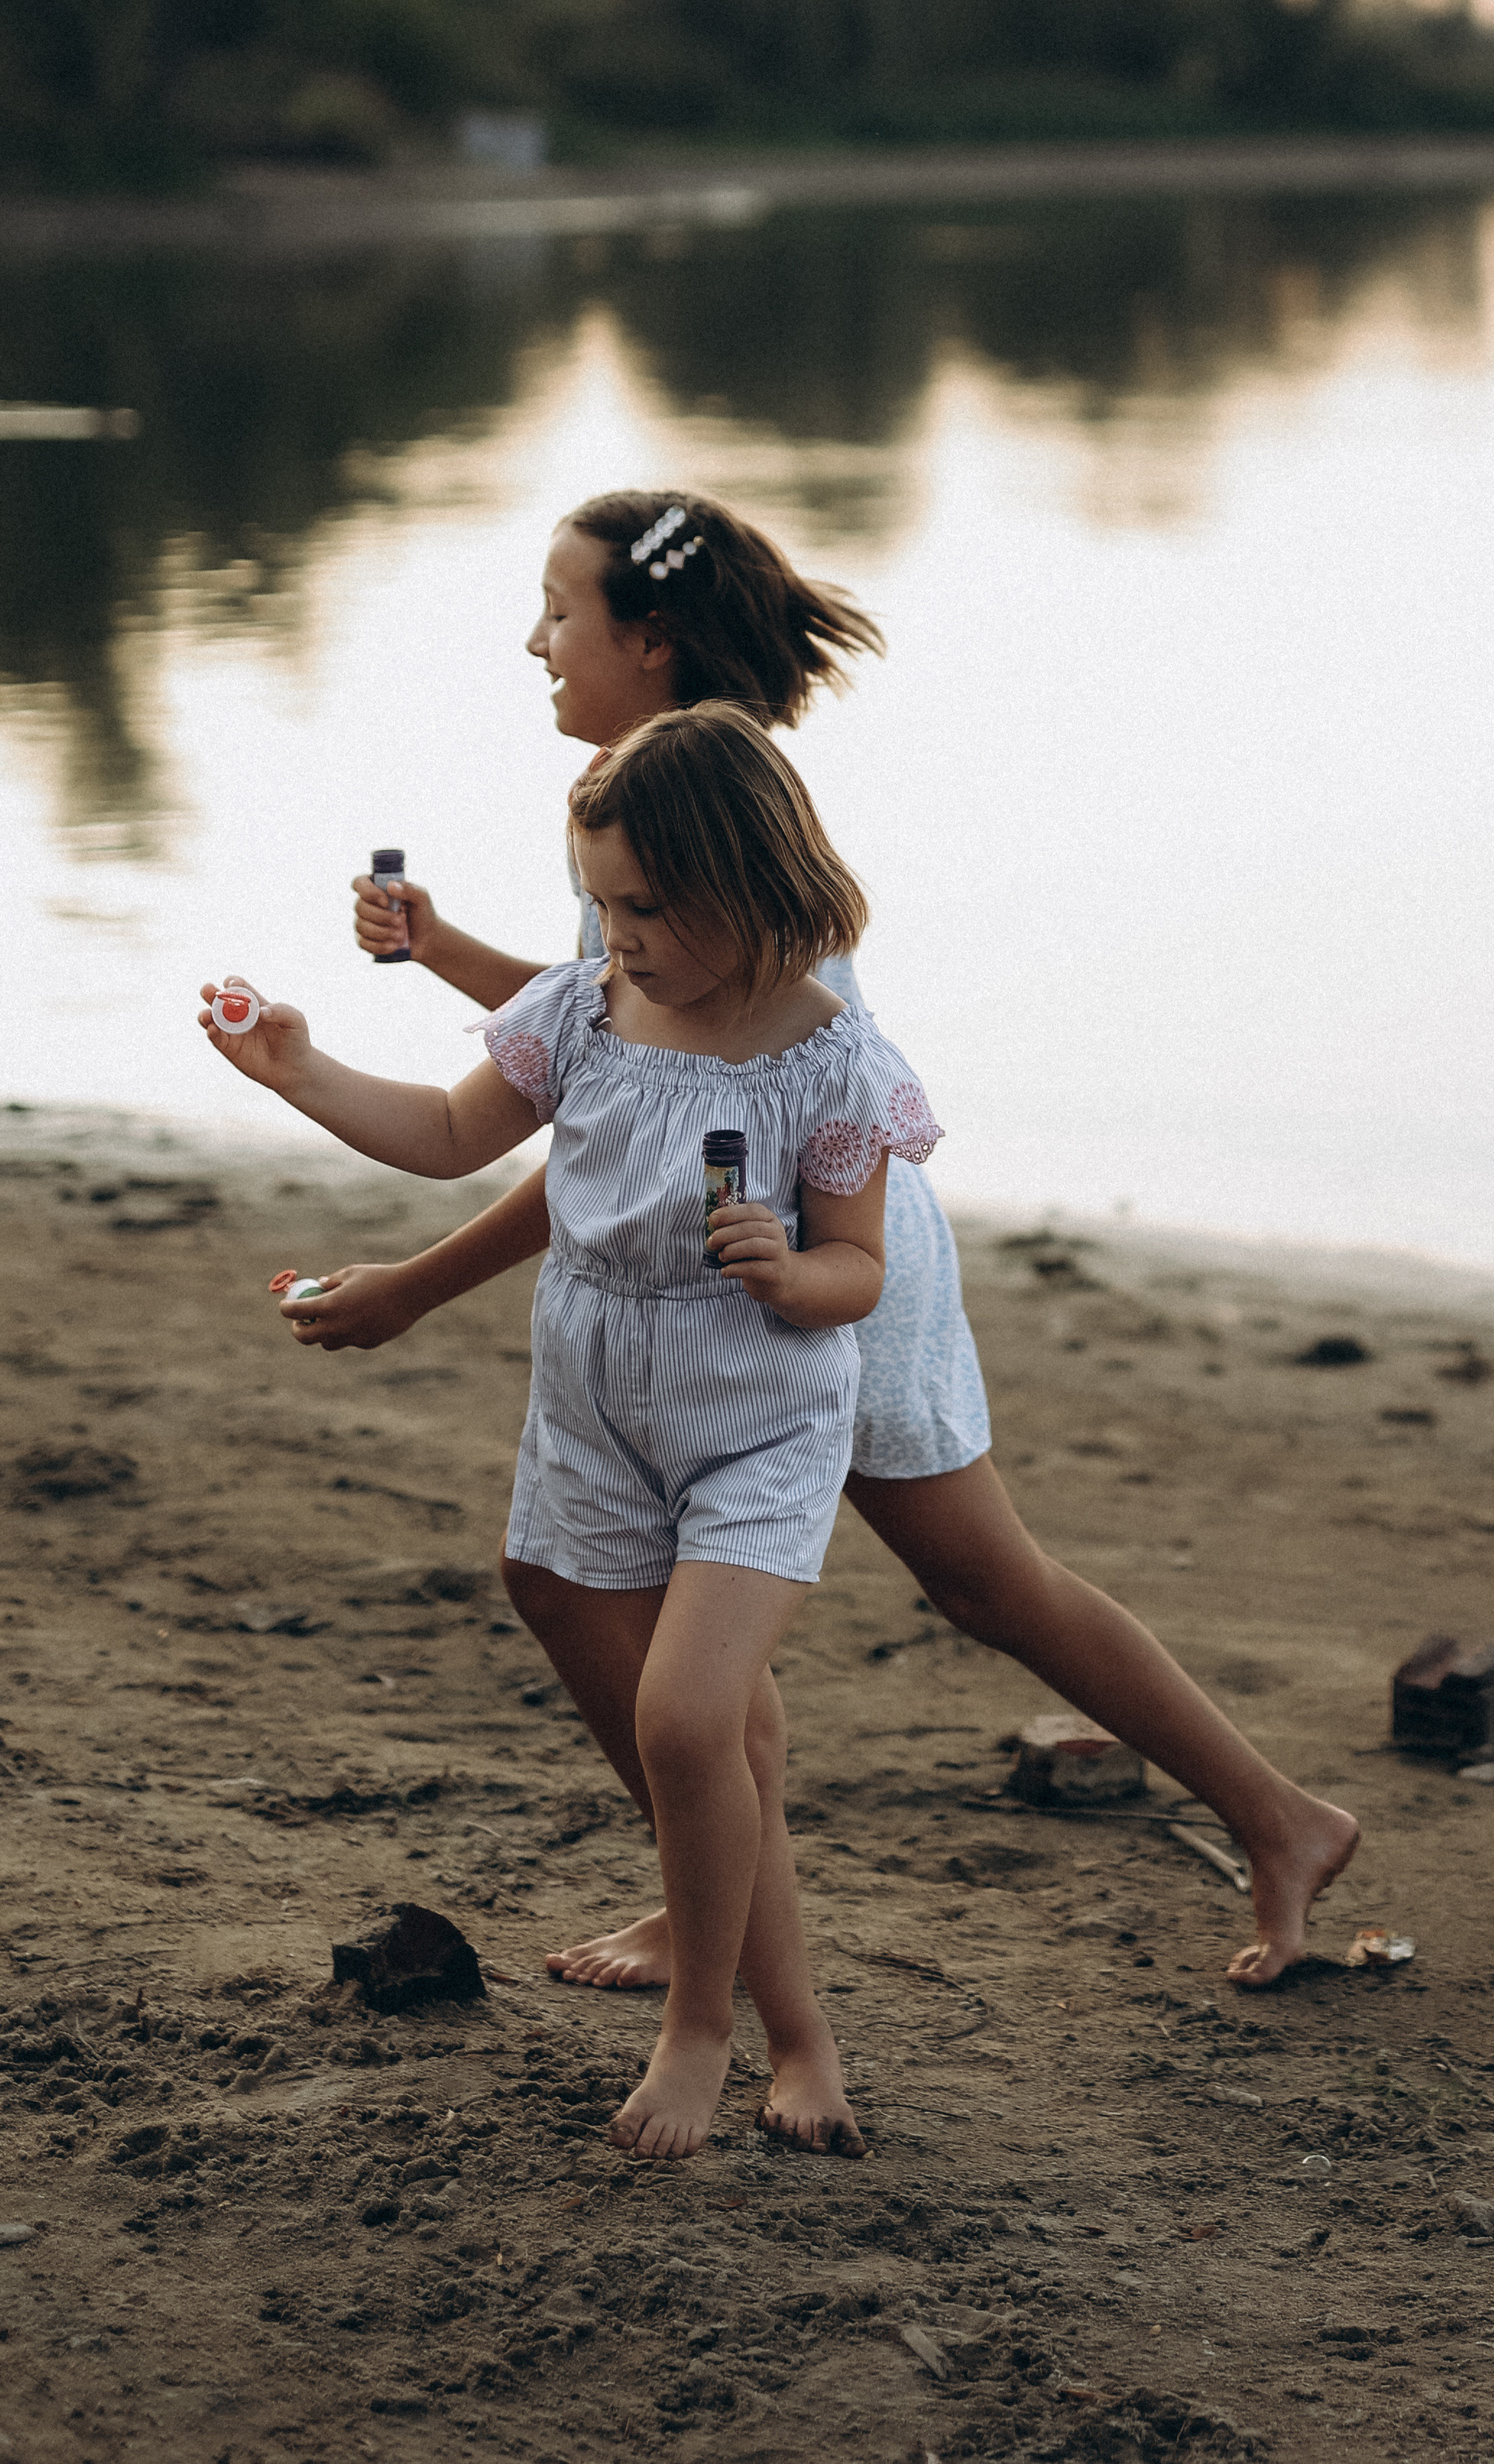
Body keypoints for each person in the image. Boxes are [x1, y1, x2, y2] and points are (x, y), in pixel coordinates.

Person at [295, 490, 1358, 1988]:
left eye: (560, 609)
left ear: (650, 638)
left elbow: (642, 1120)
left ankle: (1274, 1815)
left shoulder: (722, 826)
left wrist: (415, 1285)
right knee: (788, 1598)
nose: (535, 640)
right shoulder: (644, 807)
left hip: (822, 1262)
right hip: (738, 1257)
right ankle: (728, 1894)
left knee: (973, 1581)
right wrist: (443, 949)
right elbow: (619, 1035)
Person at [200, 696, 950, 2159]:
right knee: (701, 1726)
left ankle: (704, 2030)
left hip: (757, 1422)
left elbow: (862, 1268)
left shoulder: (834, 1061)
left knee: (688, 1718)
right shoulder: (581, 1012)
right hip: (595, 1406)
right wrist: (299, 1070)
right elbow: (446, 1135)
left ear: (752, 879)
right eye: (604, 903)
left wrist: (791, 1271)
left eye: (648, 907)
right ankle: (804, 2030)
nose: (619, 935)